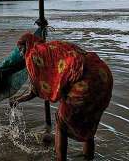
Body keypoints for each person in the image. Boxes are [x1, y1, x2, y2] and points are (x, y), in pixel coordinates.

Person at [10, 32, 113, 160]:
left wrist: (17, 100)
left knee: (61, 122)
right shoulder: (52, 47)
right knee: (89, 122)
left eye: (21, 49)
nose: (21, 54)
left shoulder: (33, 55)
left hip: (85, 81)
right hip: (103, 75)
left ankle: (60, 159)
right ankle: (88, 158)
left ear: (27, 45)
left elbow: (35, 90)